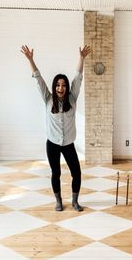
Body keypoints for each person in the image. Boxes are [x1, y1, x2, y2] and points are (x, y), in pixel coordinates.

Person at [21, 44, 91, 212]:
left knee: (77, 173)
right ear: (54, 87)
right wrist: (31, 59)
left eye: (64, 85)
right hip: (52, 144)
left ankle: (75, 201)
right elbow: (38, 79)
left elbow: (78, 77)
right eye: (58, 85)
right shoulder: (48, 99)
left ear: (67, 88)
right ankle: (58, 201)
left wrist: (81, 58)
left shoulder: (72, 99)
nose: (61, 88)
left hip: (68, 144)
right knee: (56, 174)